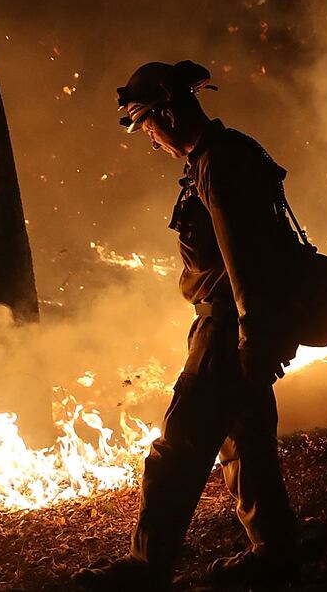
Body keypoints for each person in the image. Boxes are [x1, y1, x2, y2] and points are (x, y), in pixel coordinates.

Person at [76, 60, 300, 590]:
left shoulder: (218, 165)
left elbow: (241, 257)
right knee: (246, 443)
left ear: (169, 113)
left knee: (175, 451)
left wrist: (252, 336)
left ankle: (146, 568)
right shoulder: (232, 152)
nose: (151, 141)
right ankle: (275, 554)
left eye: (149, 127)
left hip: (228, 328)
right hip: (243, 324)